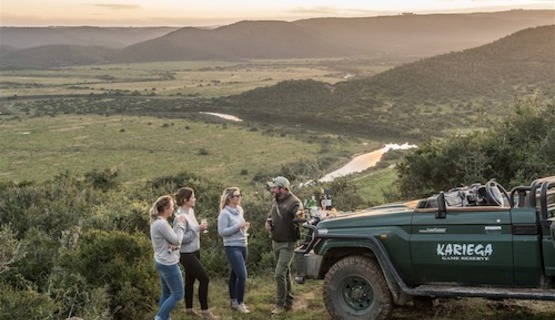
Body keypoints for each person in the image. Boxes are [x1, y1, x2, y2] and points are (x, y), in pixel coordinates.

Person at [174, 187, 220, 320]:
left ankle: (188, 309)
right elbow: (180, 240)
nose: (195, 199)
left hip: (195, 251)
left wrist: (197, 229)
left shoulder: (191, 211)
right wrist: (197, 229)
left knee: (190, 279)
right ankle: (205, 312)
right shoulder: (180, 217)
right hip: (186, 253)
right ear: (185, 200)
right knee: (204, 279)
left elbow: (191, 233)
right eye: (193, 197)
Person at [265, 176, 303, 315]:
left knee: (279, 274)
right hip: (276, 241)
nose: (272, 190)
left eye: (274, 188)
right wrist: (268, 224)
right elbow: (270, 217)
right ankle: (289, 302)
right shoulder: (276, 201)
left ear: (283, 188)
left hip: (288, 243)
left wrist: (299, 216)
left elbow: (299, 217)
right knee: (285, 273)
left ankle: (279, 305)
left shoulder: (294, 202)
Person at [149, 195, 186, 320]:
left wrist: (171, 247)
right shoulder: (162, 224)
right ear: (166, 208)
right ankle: (160, 317)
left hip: (161, 260)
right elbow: (176, 241)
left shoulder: (157, 222)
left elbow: (165, 243)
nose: (173, 209)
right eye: (172, 206)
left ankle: (165, 317)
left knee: (166, 292)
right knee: (178, 294)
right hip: (168, 263)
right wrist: (180, 225)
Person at [217, 187, 251, 314]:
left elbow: (239, 226)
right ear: (229, 198)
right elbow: (222, 232)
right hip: (232, 247)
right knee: (242, 275)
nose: (239, 197)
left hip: (243, 244)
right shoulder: (224, 214)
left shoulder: (239, 210)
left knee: (234, 274)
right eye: (236, 195)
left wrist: (244, 228)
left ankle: (233, 301)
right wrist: (238, 226)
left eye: (240, 195)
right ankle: (241, 303)